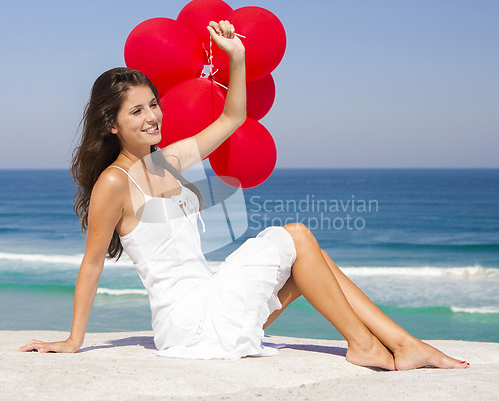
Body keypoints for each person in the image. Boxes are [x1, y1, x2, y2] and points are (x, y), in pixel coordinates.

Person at [19, 20, 468, 370]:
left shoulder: (167, 160)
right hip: (189, 324)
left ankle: (404, 344)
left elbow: (233, 117)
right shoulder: (114, 182)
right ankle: (367, 344)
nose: (152, 115)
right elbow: (92, 261)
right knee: (296, 235)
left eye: (153, 103)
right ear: (112, 124)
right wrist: (72, 341)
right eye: (136, 110)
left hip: (213, 301)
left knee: (313, 261)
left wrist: (235, 56)